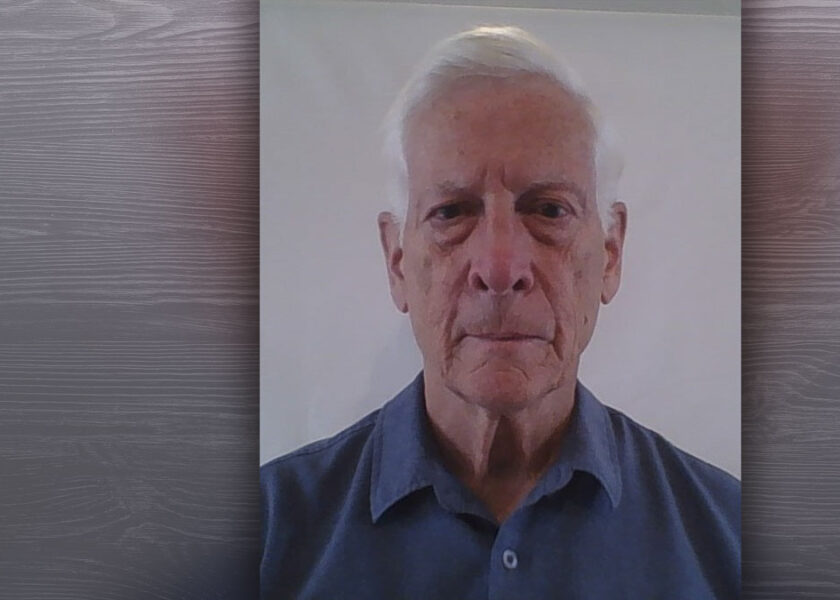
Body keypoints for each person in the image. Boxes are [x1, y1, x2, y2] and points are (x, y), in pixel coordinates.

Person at [261, 25, 739, 598]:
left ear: (610, 255)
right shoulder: (262, 536)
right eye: (451, 212)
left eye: (549, 210)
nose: (499, 266)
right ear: (397, 262)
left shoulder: (731, 542)